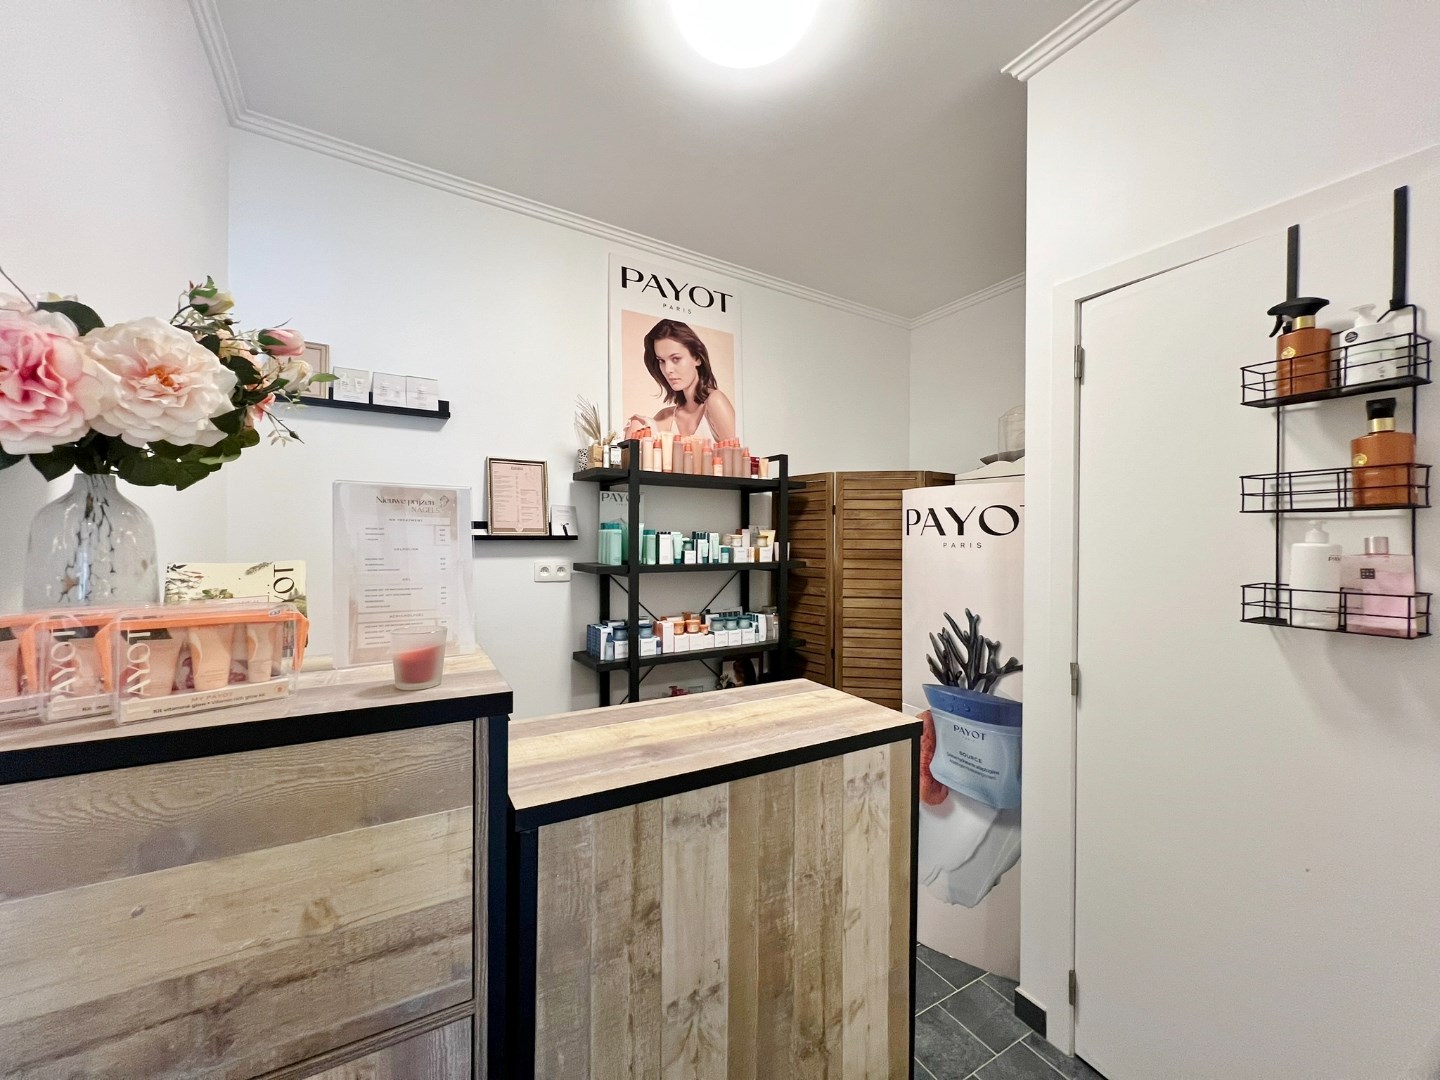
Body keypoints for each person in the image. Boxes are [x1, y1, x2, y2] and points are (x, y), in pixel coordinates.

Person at [625, 318, 736, 441]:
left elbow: (739, 452)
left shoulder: (715, 401)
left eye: (676, 359)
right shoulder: (665, 418)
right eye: (661, 361)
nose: (667, 369)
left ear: (697, 358)